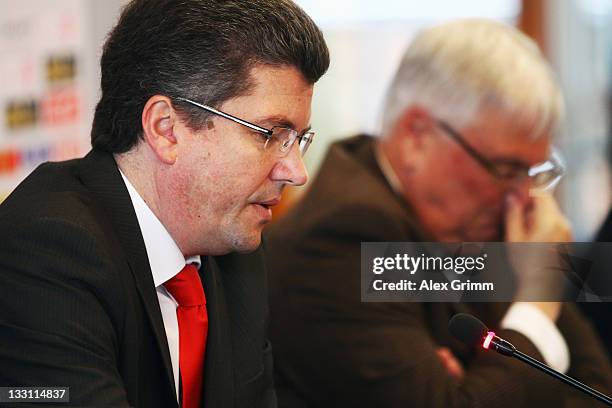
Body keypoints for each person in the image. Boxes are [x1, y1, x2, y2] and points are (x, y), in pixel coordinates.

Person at [266, 19, 612, 407]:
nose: (523, 195)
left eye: (532, 173)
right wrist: (537, 298)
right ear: (417, 136)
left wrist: (484, 383)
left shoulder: (489, 221)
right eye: (506, 169)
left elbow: (599, 389)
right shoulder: (337, 240)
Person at [0, 0, 329, 407]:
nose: (296, 171)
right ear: (166, 129)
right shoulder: (46, 251)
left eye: (298, 139)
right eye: (271, 134)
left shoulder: (234, 250)